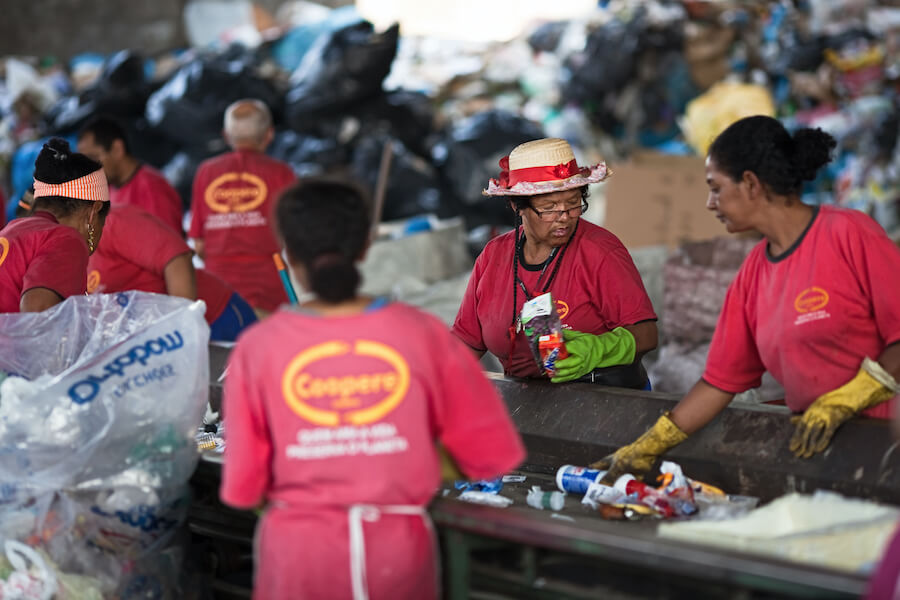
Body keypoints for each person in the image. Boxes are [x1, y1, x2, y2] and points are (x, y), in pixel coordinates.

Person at [219, 178, 525, 599]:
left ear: (287, 252)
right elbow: (491, 454)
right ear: (366, 246)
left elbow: (243, 488)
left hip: (297, 557)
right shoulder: (422, 334)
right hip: (397, 556)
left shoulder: (257, 348)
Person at [593, 115, 900, 484]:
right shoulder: (754, 272)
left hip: (887, 445)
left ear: (751, 184)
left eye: (716, 188)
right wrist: (649, 444)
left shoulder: (850, 234)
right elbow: (720, 382)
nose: (709, 203)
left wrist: (852, 397)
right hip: (824, 453)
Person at [452, 137, 658, 388]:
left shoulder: (600, 251)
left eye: (573, 204)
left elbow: (646, 335)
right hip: (528, 400)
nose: (564, 218)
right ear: (518, 206)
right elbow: (467, 341)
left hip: (604, 397)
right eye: (549, 208)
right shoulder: (494, 256)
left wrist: (600, 348)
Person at [86, 203, 257, 342]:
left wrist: (183, 331)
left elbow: (177, 259)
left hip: (216, 320)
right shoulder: (69, 252)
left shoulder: (111, 223)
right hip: (156, 344)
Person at [188, 99, 295, 316]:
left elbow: (199, 245)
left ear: (226, 136)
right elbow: (295, 238)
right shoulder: (282, 173)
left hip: (218, 296)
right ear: (269, 135)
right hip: (268, 292)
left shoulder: (206, 172)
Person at [0, 138, 109, 313]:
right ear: (93, 212)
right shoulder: (66, 239)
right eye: (102, 223)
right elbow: (37, 308)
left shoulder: (12, 229)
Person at [77, 116, 184, 235]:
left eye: (93, 158)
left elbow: (171, 248)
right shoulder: (109, 190)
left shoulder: (151, 188)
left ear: (117, 149)